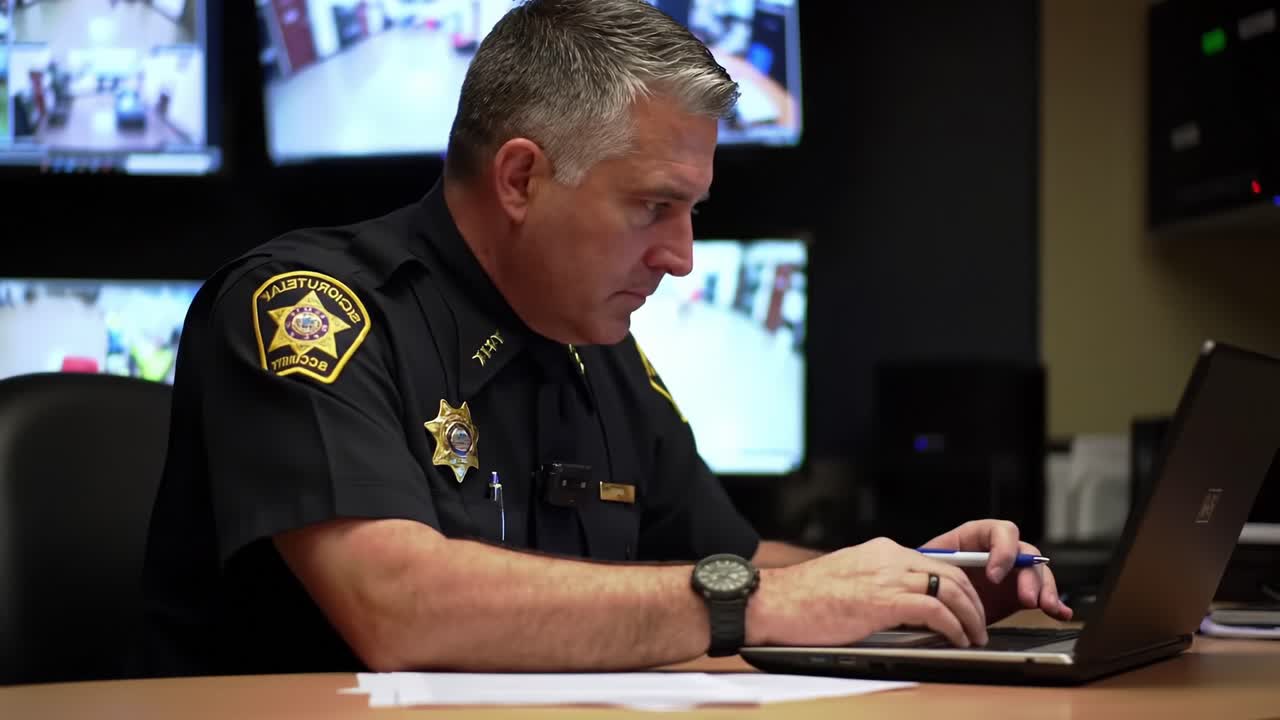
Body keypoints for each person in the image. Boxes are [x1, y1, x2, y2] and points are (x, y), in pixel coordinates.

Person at [139, 0, 1071, 678]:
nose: (682, 258)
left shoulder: (595, 347)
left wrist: (912, 585)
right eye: (654, 208)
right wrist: (760, 604)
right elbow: (402, 610)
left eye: (693, 212)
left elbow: (730, 563)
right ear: (520, 179)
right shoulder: (309, 309)